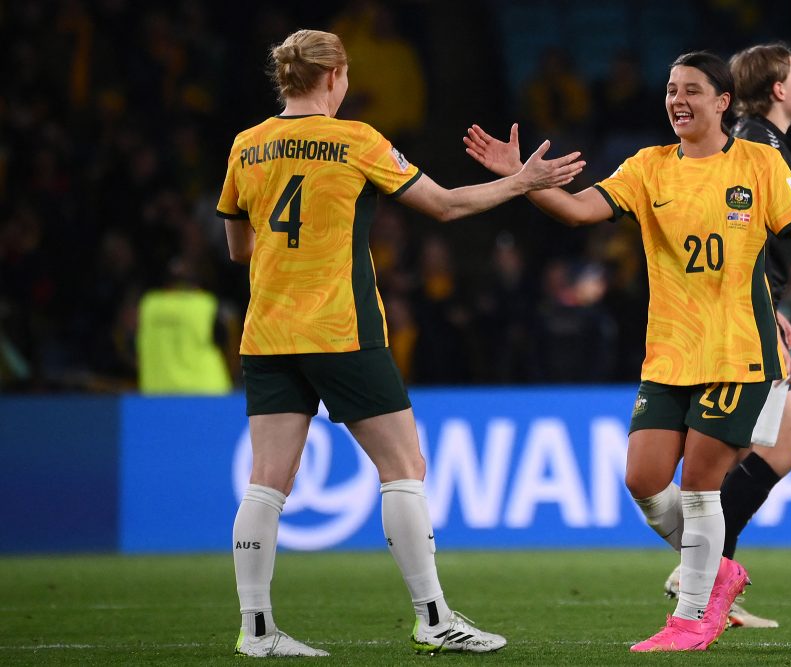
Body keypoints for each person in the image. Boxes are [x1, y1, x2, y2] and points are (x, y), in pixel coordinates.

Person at [464, 50, 791, 652]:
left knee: (703, 484)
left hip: (738, 350)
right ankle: (717, 571)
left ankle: (693, 619)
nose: (677, 100)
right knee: (644, 479)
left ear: (723, 101)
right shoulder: (649, 166)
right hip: (670, 354)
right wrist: (522, 181)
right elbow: (577, 211)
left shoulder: (758, 163)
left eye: (693, 91)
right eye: (672, 90)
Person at [216, 29, 583, 658]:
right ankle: (433, 616)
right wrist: (521, 183)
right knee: (404, 468)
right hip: (341, 329)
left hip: (268, 331)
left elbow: (238, 247)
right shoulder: (357, 141)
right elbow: (443, 206)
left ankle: (256, 630)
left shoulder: (247, 146)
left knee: (267, 483)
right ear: (333, 77)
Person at [660, 41, 791, 629]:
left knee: (764, 449)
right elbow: (733, 235)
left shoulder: (763, 140)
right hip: (734, 324)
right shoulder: (753, 142)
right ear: (778, 87)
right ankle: (700, 572)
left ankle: (705, 570)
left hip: (755, 312)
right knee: (774, 448)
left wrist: (772, 307)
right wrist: (763, 314)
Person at [136, 256, 235, 395]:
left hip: (157, 396)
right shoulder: (206, 305)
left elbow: (130, 345)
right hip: (207, 394)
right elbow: (227, 343)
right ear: (197, 283)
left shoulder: (149, 305)